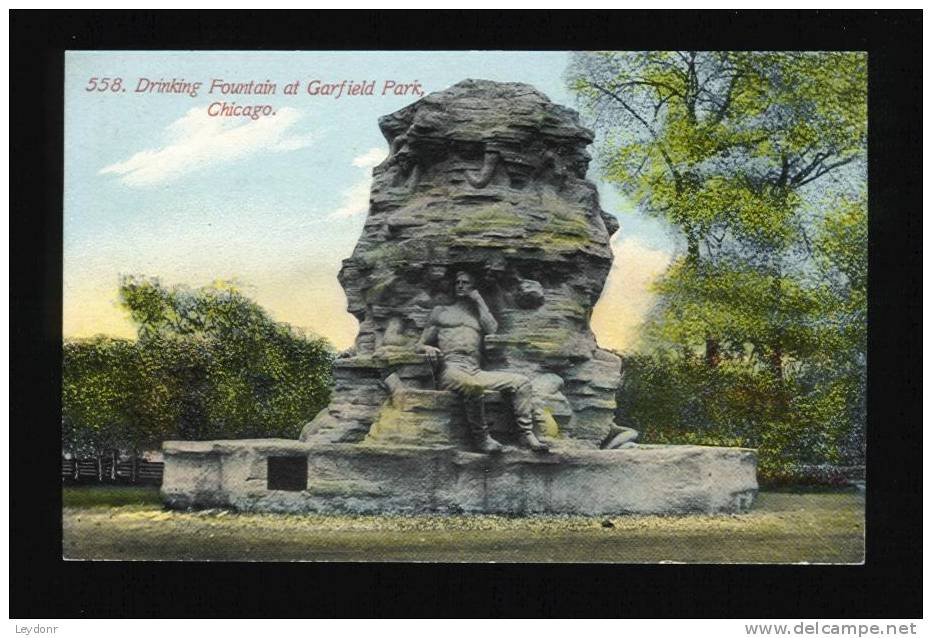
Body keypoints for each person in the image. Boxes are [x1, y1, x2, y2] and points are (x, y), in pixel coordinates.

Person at [416, 271, 550, 454]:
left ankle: (526, 434)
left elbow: (492, 329)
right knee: (473, 387)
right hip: (451, 369)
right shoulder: (441, 312)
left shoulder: (478, 315)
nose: (461, 286)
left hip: (475, 369)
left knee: (521, 382)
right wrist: (427, 348)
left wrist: (478, 300)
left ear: (474, 287)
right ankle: (482, 439)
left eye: (466, 282)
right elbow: (420, 344)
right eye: (458, 282)